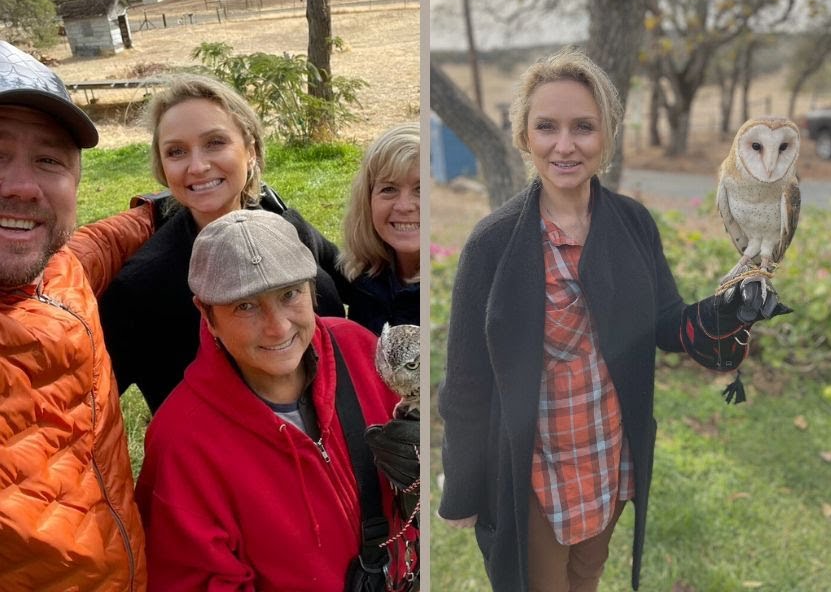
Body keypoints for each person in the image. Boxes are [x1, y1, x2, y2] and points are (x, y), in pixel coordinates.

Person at [436, 48, 787, 592]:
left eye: (584, 127)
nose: (565, 145)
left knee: (587, 574)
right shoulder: (493, 244)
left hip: (607, 454)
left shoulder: (632, 223)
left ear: (607, 136)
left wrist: (723, 313)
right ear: (524, 136)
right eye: (546, 127)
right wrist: (461, 488)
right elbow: (465, 379)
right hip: (533, 468)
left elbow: (668, 323)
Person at [135, 208, 410, 589]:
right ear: (207, 314)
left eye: (289, 294)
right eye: (245, 306)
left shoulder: (361, 350)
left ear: (312, 288)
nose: (278, 327)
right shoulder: (180, 443)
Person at [99, 74, 351, 413]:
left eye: (215, 142)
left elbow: (361, 281)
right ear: (162, 168)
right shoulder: (141, 287)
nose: (198, 166)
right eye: (176, 152)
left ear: (251, 151)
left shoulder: (286, 226)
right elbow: (89, 405)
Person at [0, 41, 153, 590]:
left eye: (49, 160)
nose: (22, 186)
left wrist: (156, 211)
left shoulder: (58, 269)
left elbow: (93, 246)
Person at [340, 121, 421, 331]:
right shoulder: (367, 282)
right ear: (367, 201)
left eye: (421, 190)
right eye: (389, 189)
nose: (404, 206)